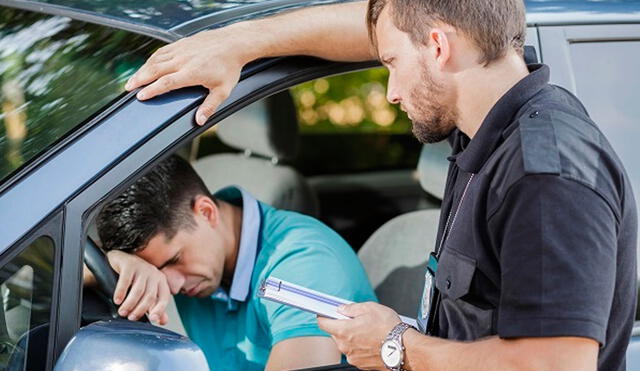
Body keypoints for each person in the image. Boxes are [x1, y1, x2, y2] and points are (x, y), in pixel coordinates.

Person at [124, 1, 638, 370]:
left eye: (390, 62)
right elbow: (382, 21)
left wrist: (397, 345)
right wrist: (241, 43)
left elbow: (555, 365)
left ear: (438, 46)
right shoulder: (484, 129)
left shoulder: (544, 173)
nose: (389, 92)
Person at [89, 155, 376, 371]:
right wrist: (117, 261)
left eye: (175, 259)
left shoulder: (303, 261)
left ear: (206, 212)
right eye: (154, 269)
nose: (171, 284)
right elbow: (67, 271)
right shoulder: (200, 261)